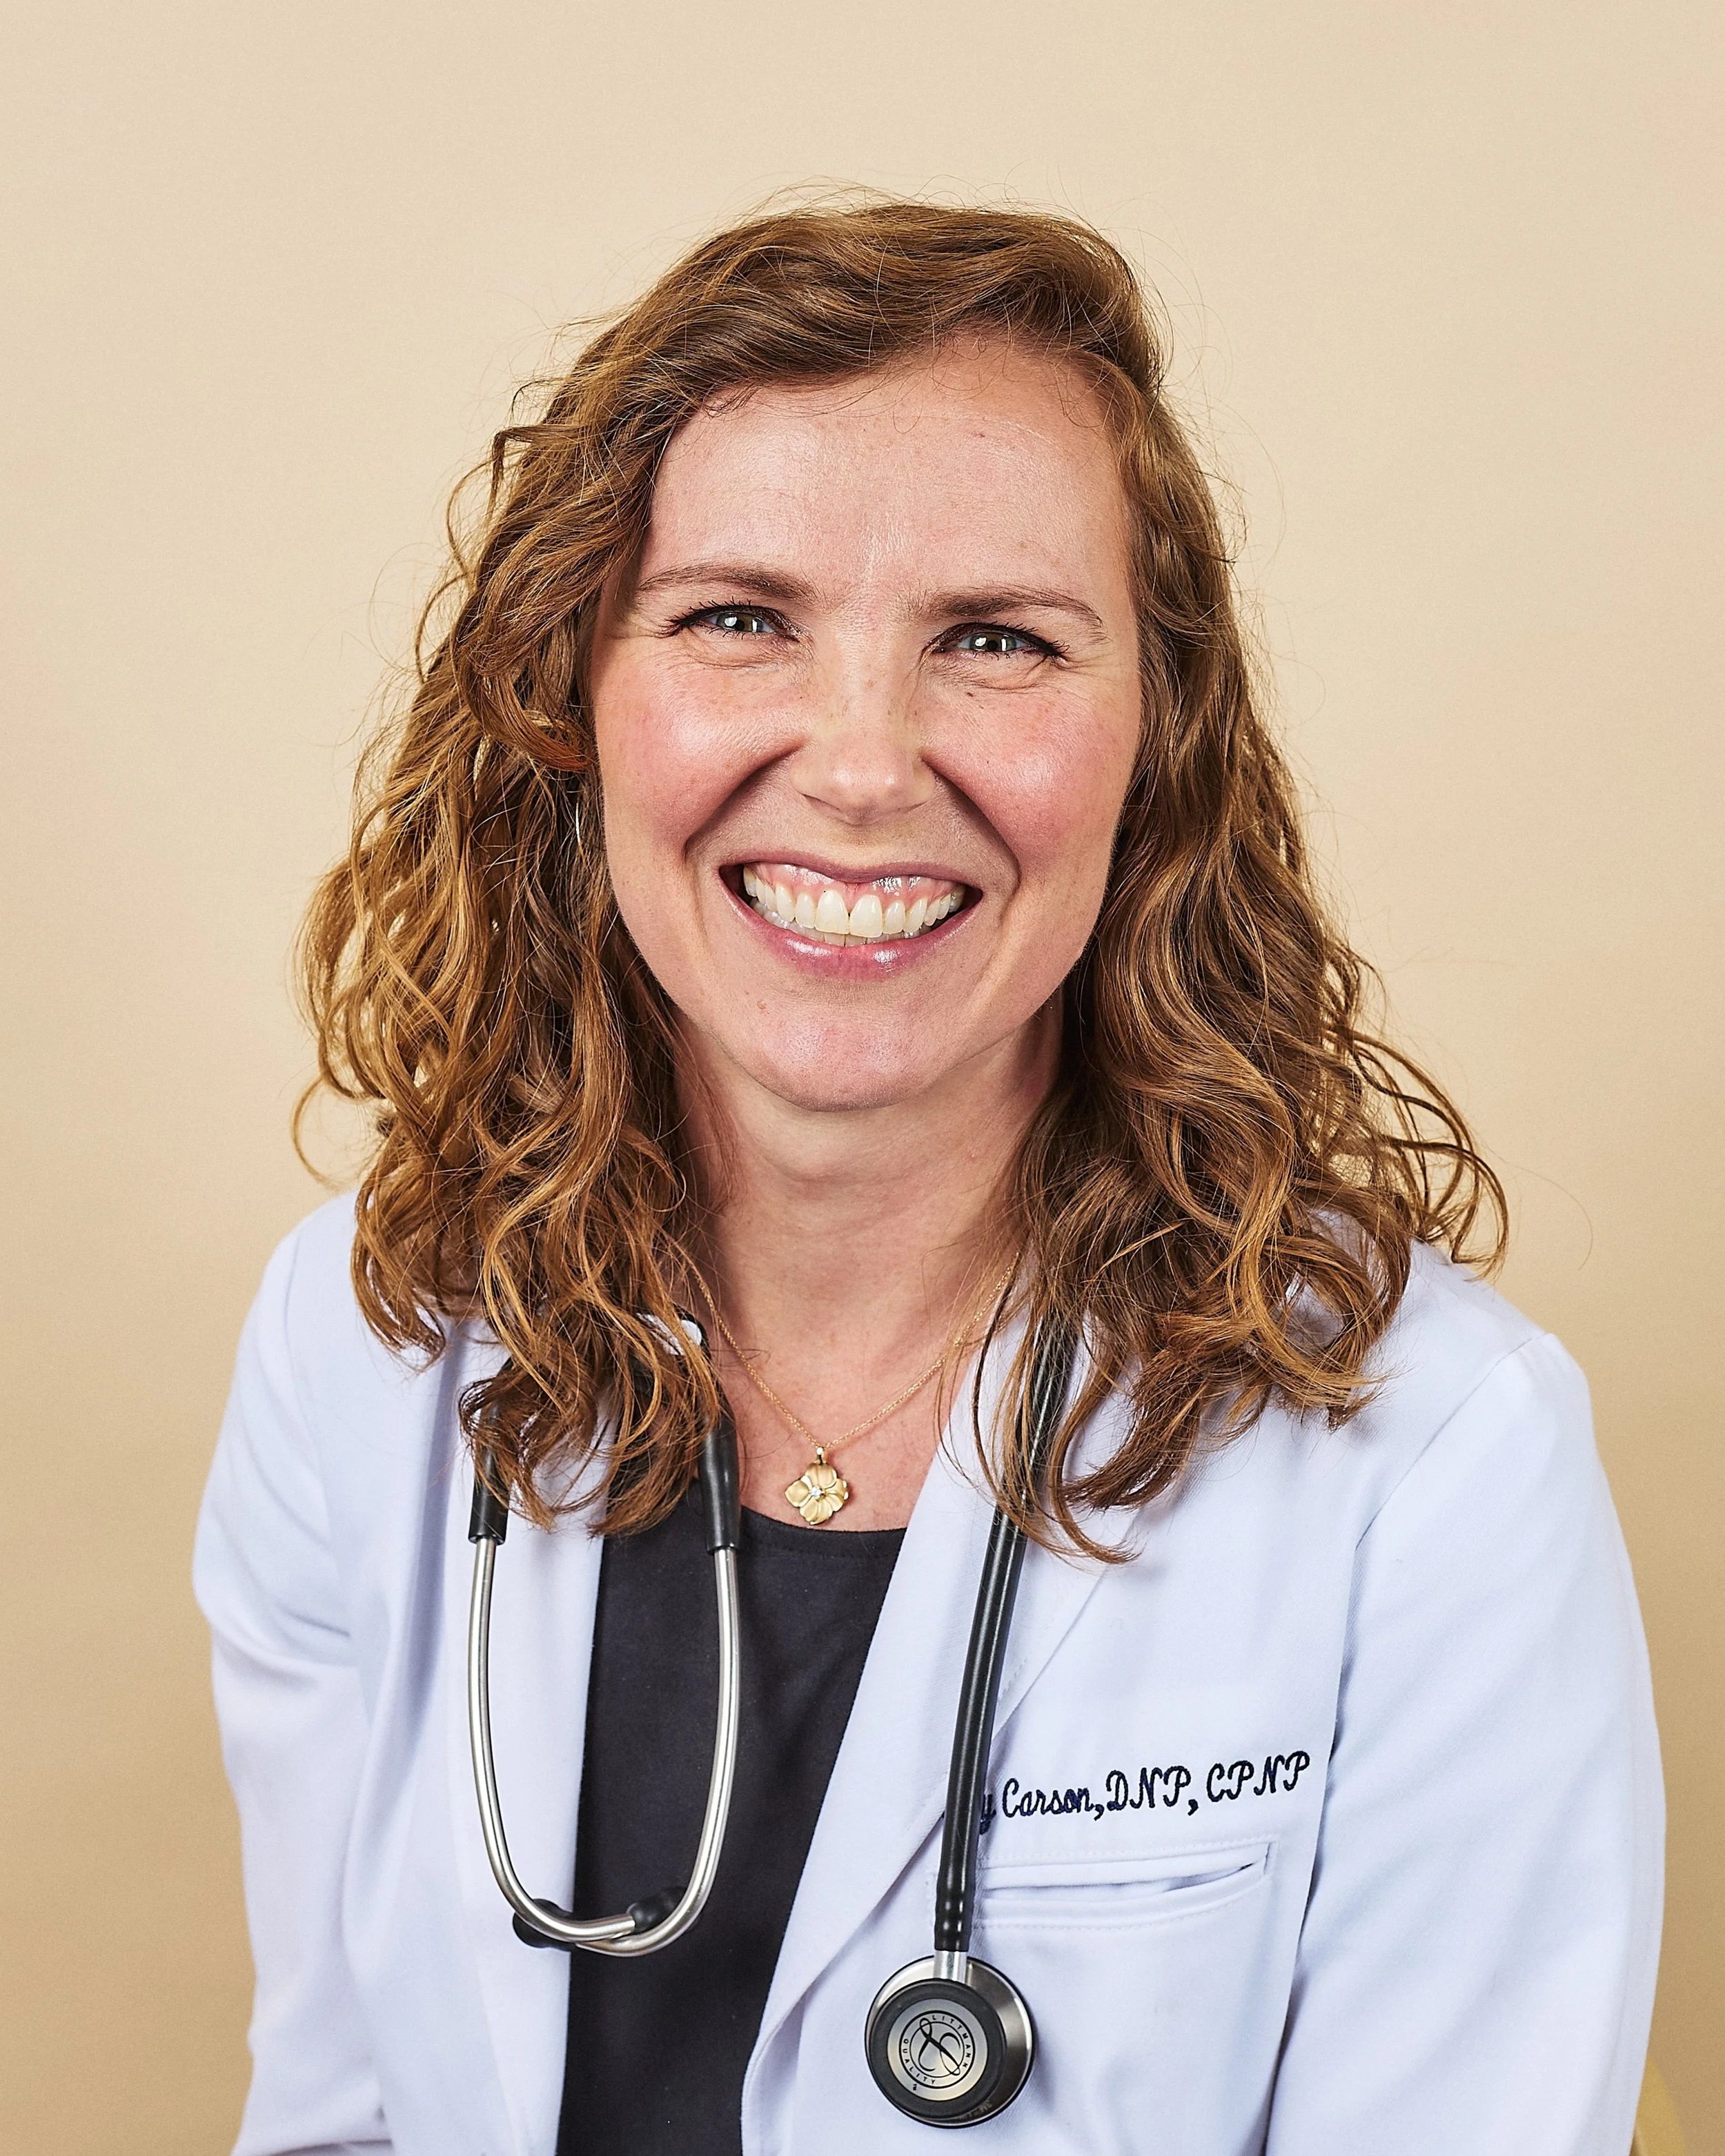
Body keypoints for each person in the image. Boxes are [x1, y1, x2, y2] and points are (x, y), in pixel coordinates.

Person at [195, 199, 1662, 2156]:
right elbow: (336, 2116)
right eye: (737, 616)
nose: (865, 761)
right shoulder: (356, 1353)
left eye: (994, 638)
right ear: (573, 700)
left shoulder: (1438, 1461)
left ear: (1159, 739)